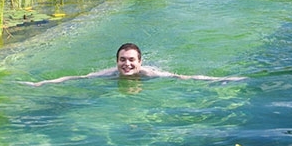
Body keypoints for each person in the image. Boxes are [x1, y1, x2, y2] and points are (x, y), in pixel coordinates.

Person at [23, 42, 242, 86]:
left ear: (139, 62)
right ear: (116, 61)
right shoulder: (110, 73)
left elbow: (182, 77)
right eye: (122, 60)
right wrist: (42, 83)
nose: (126, 64)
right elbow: (78, 78)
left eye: (131, 60)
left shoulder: (149, 73)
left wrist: (221, 79)